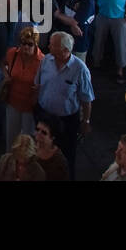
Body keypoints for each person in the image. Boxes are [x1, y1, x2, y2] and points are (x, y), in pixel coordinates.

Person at [33, 31, 94, 178]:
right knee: (41, 151)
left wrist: (85, 121)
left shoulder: (80, 70)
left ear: (65, 50)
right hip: (44, 115)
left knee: (67, 156)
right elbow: (38, 84)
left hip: (66, 120)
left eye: (52, 45)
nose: (48, 46)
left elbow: (86, 100)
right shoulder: (46, 61)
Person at [2, 27, 44, 149]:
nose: (25, 47)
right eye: (23, 43)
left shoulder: (42, 61)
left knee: (27, 141)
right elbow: (2, 63)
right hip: (12, 102)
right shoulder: (13, 53)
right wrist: (6, 76)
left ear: (36, 44)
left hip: (30, 106)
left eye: (29, 44)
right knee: (11, 138)